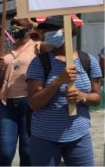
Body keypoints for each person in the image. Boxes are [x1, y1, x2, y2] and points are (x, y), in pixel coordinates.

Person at [26, 16, 102, 166]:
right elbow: (34, 104)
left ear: (67, 31)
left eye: (52, 29)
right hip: (44, 138)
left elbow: (97, 98)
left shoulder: (88, 60)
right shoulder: (39, 62)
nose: (47, 33)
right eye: (46, 29)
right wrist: (58, 81)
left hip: (80, 137)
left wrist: (83, 96)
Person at [0, 17, 43, 166]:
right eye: (12, 24)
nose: (14, 26)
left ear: (30, 28)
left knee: (27, 153)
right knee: (5, 153)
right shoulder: (6, 50)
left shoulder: (38, 48)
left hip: (29, 105)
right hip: (6, 104)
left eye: (18, 24)